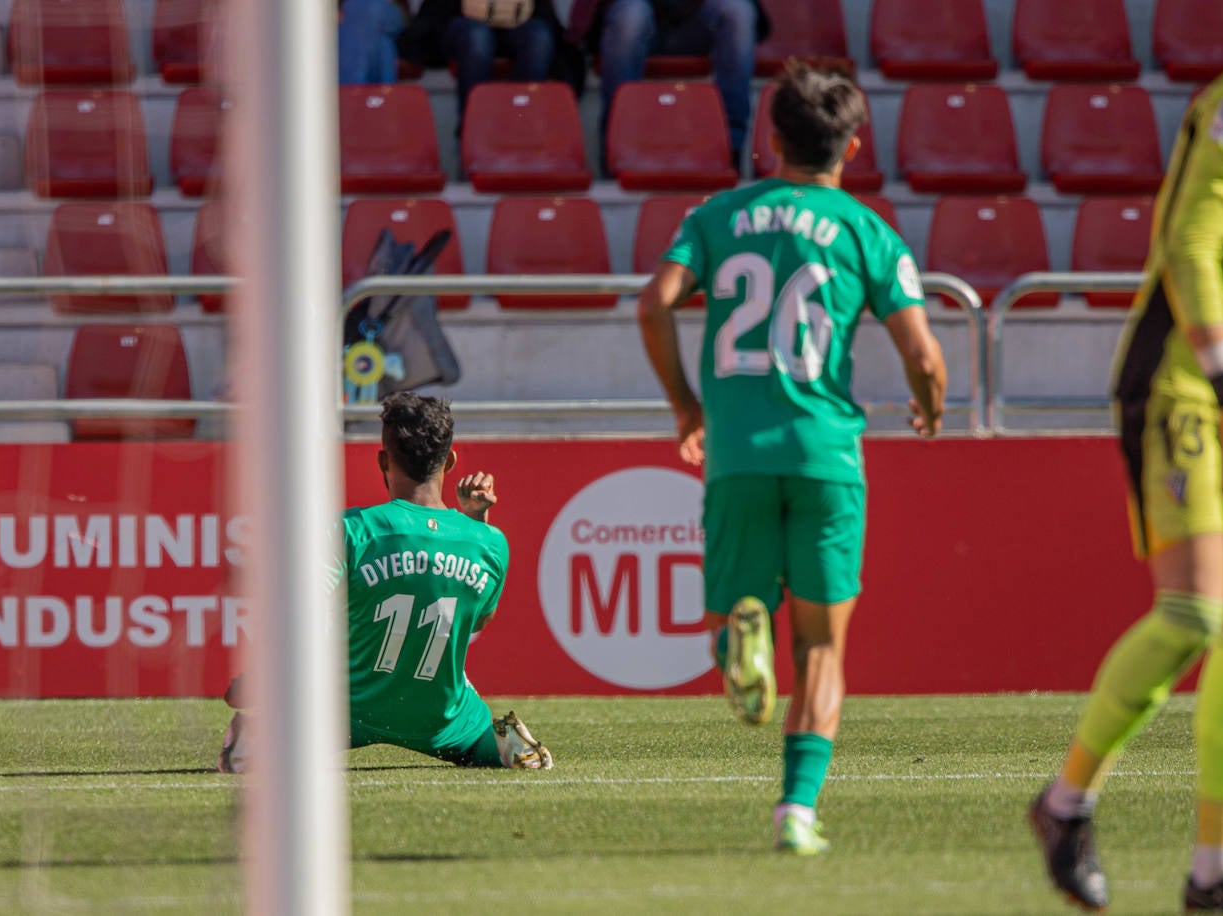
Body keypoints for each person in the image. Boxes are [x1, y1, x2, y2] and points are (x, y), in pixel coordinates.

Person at [1028, 2, 1223, 910]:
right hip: (1187, 381)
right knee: (1193, 613)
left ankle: (1215, 871)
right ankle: (1065, 802)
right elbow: (1190, 245)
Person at [637, 60, 947, 855]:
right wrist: (930, 405)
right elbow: (924, 354)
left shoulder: (717, 215)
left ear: (769, 139)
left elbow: (656, 302)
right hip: (826, 456)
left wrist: (685, 403)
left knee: (737, 615)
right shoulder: (866, 231)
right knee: (821, 645)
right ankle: (796, 814)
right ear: (852, 146)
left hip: (736, 450)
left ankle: (738, 637)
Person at [216, 393, 552, 774]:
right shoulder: (490, 542)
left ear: (383, 460)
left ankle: (262, 736)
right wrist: (477, 521)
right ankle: (505, 744)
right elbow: (477, 621)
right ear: (452, 460)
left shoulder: (351, 530)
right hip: (443, 718)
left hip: (345, 708)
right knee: (478, 734)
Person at [566, 0, 771, 171]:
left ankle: (730, 147)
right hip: (636, 16)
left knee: (738, 11)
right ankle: (615, 145)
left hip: (695, 20)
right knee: (630, 17)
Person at [397, 0, 581, 130]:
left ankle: (523, 124)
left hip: (516, 22)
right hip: (460, 19)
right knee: (478, 37)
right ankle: (473, 130)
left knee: (539, 37)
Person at [338, 0, 409, 85]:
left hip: (342, 81)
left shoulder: (347, 6)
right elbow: (397, 25)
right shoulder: (385, 9)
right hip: (373, 79)